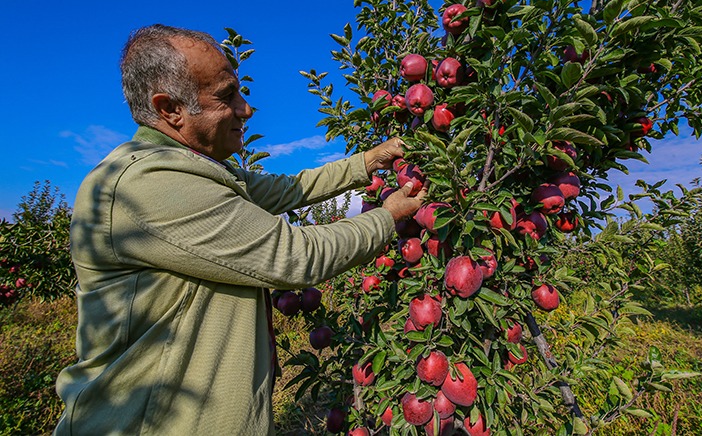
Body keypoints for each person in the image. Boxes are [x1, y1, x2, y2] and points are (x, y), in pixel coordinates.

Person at [54, 24, 425, 435]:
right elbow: (294, 257)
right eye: (226, 95)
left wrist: (369, 160)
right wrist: (386, 217)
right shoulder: (146, 184)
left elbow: (290, 188)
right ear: (170, 109)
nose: (245, 108)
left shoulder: (201, 170)